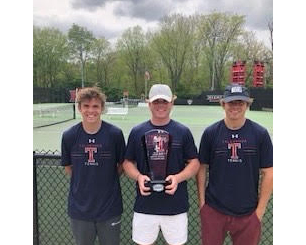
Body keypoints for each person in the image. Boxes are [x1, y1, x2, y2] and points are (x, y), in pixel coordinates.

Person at [123, 84, 200, 245]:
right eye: (156, 102)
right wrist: (138, 177)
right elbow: (127, 162)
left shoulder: (183, 132)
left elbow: (194, 163)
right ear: (149, 103)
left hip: (175, 207)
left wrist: (178, 178)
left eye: (164, 102)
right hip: (145, 207)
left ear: (172, 102)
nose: (160, 106)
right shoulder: (137, 132)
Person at [196, 84, 273, 245]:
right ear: (223, 104)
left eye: (240, 102)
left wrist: (259, 211)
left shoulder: (260, 134)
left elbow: (269, 172)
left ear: (247, 105)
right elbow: (202, 167)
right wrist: (202, 203)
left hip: (248, 213)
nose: (235, 106)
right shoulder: (211, 133)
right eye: (231, 102)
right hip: (214, 210)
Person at [61, 87, 126, 245]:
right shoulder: (69, 136)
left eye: (95, 106)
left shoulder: (115, 134)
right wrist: (86, 178)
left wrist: (105, 178)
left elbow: (122, 165)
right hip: (80, 210)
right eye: (86, 106)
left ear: (102, 108)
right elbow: (68, 167)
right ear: (79, 108)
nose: (91, 110)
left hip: (109, 209)